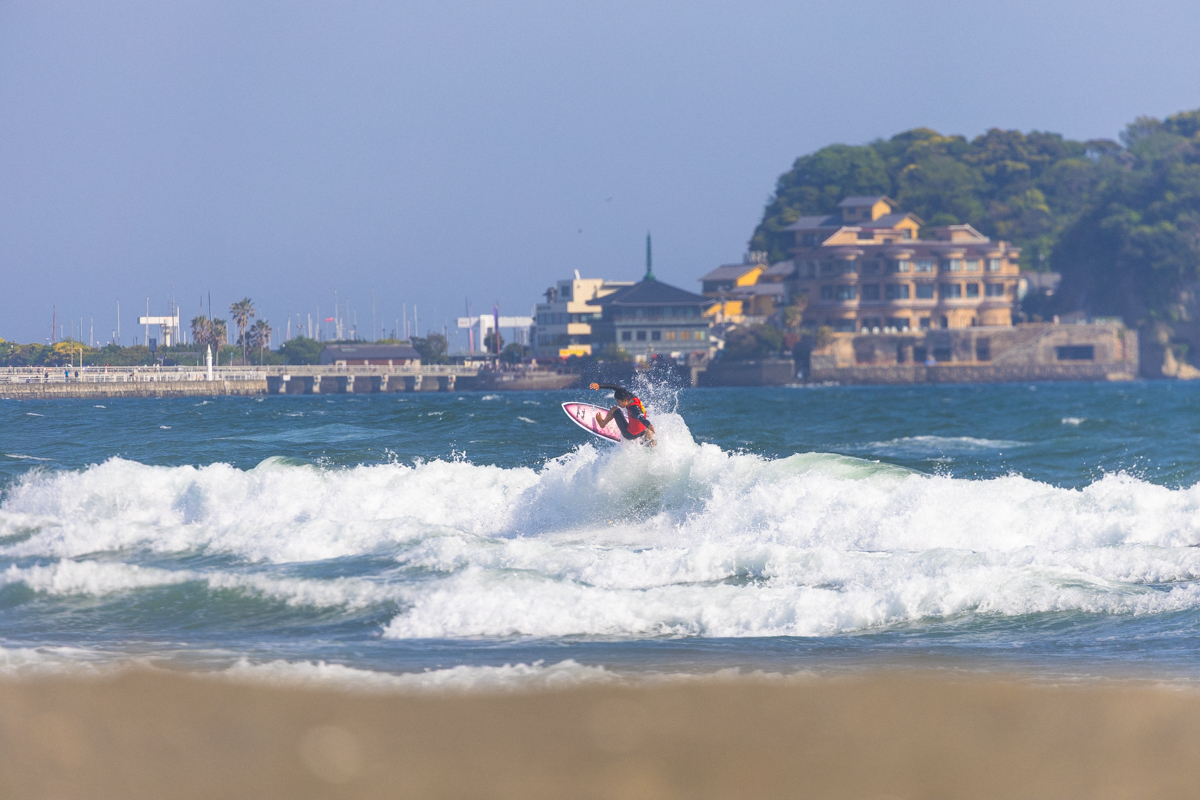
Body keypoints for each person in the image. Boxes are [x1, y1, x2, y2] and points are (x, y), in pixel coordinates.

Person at [589, 382, 656, 446]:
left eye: (619, 402)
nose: (618, 404)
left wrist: (647, 424)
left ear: (625, 400)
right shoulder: (632, 397)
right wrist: (599, 386)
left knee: (614, 409)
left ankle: (602, 424)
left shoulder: (633, 409)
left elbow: (640, 417)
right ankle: (651, 442)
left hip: (630, 434)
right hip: (643, 431)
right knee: (647, 429)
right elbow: (616, 387)